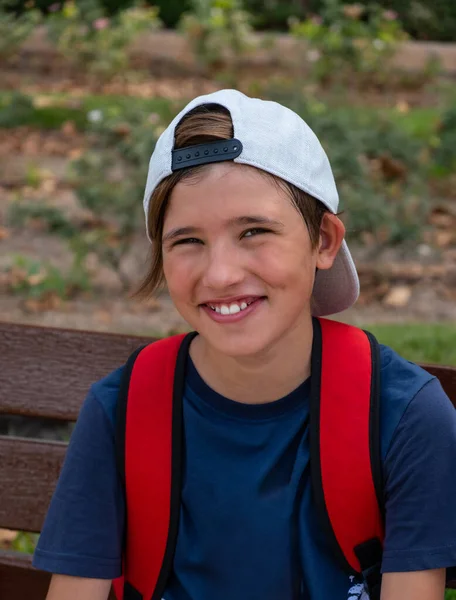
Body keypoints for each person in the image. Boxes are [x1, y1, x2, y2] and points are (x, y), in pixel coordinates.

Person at [33, 89, 456, 600]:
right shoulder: (121, 412)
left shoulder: (405, 416)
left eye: (254, 231)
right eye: (187, 241)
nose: (221, 273)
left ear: (323, 241)